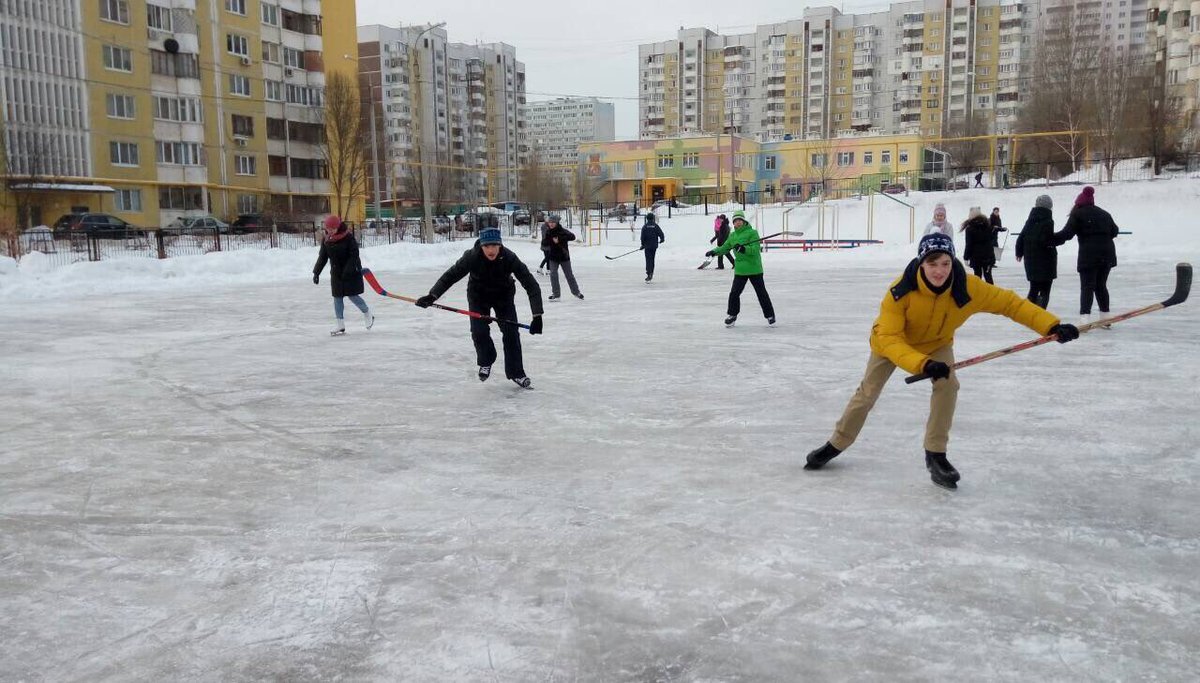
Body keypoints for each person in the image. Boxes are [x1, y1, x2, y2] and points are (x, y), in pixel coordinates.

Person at [802, 233, 1079, 489]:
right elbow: (890, 339)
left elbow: (1011, 304)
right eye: (932, 263)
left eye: (945, 263)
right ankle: (835, 444)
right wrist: (922, 364)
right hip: (891, 344)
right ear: (922, 264)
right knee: (867, 394)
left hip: (937, 344)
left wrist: (1051, 326)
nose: (939, 270)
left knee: (948, 385)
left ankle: (936, 455)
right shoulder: (900, 291)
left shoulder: (967, 286)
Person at [415, 227, 543, 388]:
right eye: (487, 246)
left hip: (503, 296)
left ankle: (516, 373)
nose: (491, 250)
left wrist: (537, 315)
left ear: (500, 245)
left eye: (494, 246)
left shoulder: (509, 257)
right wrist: (432, 295)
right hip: (478, 296)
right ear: (481, 246)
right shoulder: (472, 256)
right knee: (478, 331)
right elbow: (450, 276)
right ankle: (486, 360)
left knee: (511, 334)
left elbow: (531, 284)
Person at [1055, 185, 1120, 325]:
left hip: (1089, 255)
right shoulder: (1104, 213)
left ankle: (1085, 318)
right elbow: (1115, 231)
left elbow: (1066, 234)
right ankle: (1105, 318)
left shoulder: (1077, 214)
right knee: (1101, 285)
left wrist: (1049, 239)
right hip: (1107, 254)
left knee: (1087, 286)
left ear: (1079, 202)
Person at [705, 209, 775, 327]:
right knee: (734, 293)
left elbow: (755, 249)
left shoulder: (752, 233)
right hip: (740, 270)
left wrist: (743, 249)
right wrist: (714, 252)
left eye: (739, 220)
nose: (737, 223)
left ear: (743, 221)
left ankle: (770, 315)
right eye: (735, 221)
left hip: (754, 269)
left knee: (761, 293)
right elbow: (725, 247)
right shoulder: (733, 236)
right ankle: (732, 315)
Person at [313, 215, 373, 336]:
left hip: (351, 270)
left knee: (352, 296)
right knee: (337, 297)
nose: (330, 231)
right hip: (336, 273)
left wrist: (348, 270)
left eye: (333, 229)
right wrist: (316, 272)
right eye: (328, 229)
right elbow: (323, 257)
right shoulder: (327, 240)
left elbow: (354, 255)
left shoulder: (348, 237)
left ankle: (368, 313)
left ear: (338, 227)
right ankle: (340, 324)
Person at [1014, 195, 1063, 309]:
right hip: (1045, 260)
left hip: (1031, 259)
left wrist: (1019, 252)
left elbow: (1022, 236)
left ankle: (1028, 312)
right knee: (1045, 289)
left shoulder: (1031, 219)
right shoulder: (1048, 220)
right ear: (1049, 206)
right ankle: (1040, 314)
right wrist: (1060, 239)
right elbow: (1046, 240)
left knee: (1034, 287)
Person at [541, 213, 584, 300]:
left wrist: (560, 239)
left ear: (556, 223)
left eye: (553, 222)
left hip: (564, 257)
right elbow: (544, 242)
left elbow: (572, 237)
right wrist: (551, 241)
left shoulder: (562, 231)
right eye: (550, 222)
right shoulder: (548, 232)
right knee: (553, 275)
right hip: (553, 257)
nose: (551, 224)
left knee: (569, 275)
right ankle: (556, 295)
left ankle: (576, 292)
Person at [961, 206, 996, 283]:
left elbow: (969, 244)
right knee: (988, 276)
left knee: (977, 276)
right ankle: (991, 293)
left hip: (976, 257)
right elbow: (991, 240)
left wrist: (966, 257)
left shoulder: (970, 228)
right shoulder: (988, 226)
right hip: (988, 256)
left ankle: (978, 292)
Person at [640, 211, 665, 282]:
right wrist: (662, 239)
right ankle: (651, 273)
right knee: (652, 259)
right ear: (653, 218)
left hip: (647, 246)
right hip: (654, 246)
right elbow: (661, 233)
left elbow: (642, 237)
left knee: (648, 260)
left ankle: (649, 273)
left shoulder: (645, 227)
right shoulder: (655, 226)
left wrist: (642, 245)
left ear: (647, 219)